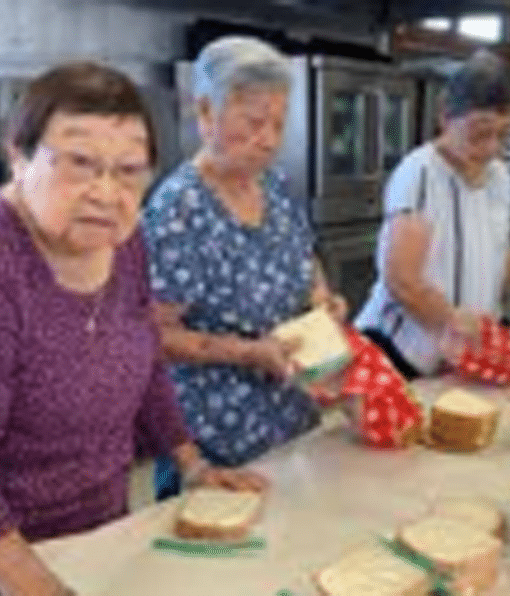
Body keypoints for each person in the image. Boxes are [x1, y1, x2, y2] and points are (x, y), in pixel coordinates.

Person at [0, 62, 266, 596]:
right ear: (18, 156)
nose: (105, 193)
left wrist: (192, 462)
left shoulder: (122, 239)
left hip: (93, 539)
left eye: (129, 170)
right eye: (80, 163)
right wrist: (40, 589)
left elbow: (143, 357)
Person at [143, 37, 361, 500]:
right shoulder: (179, 208)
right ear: (205, 113)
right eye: (254, 123)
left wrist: (321, 300)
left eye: (279, 124)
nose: (269, 140)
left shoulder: (275, 186)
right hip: (212, 447)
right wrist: (249, 353)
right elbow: (152, 337)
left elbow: (307, 259)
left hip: (292, 423)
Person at [355, 50, 510, 380]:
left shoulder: (498, 176)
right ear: (444, 117)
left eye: (504, 134)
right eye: (480, 133)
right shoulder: (420, 174)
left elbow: (499, 244)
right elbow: (402, 280)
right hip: (401, 356)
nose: (492, 147)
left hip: (462, 358)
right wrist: (450, 320)